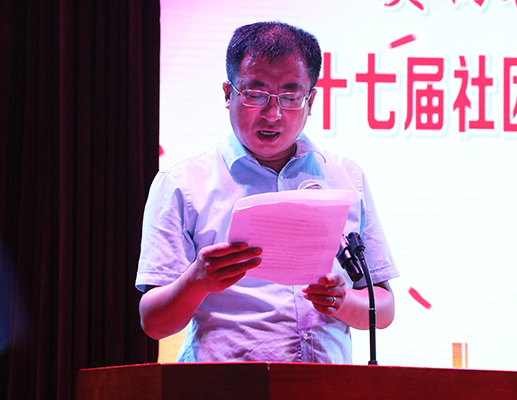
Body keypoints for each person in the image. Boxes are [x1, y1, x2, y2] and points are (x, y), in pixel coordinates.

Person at [136, 21, 399, 364]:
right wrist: (198, 280)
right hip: (223, 384)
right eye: (255, 94)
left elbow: (384, 307)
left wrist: (343, 301)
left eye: (290, 97)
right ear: (228, 94)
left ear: (310, 100)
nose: (273, 114)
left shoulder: (345, 178)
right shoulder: (183, 183)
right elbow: (154, 322)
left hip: (325, 383)